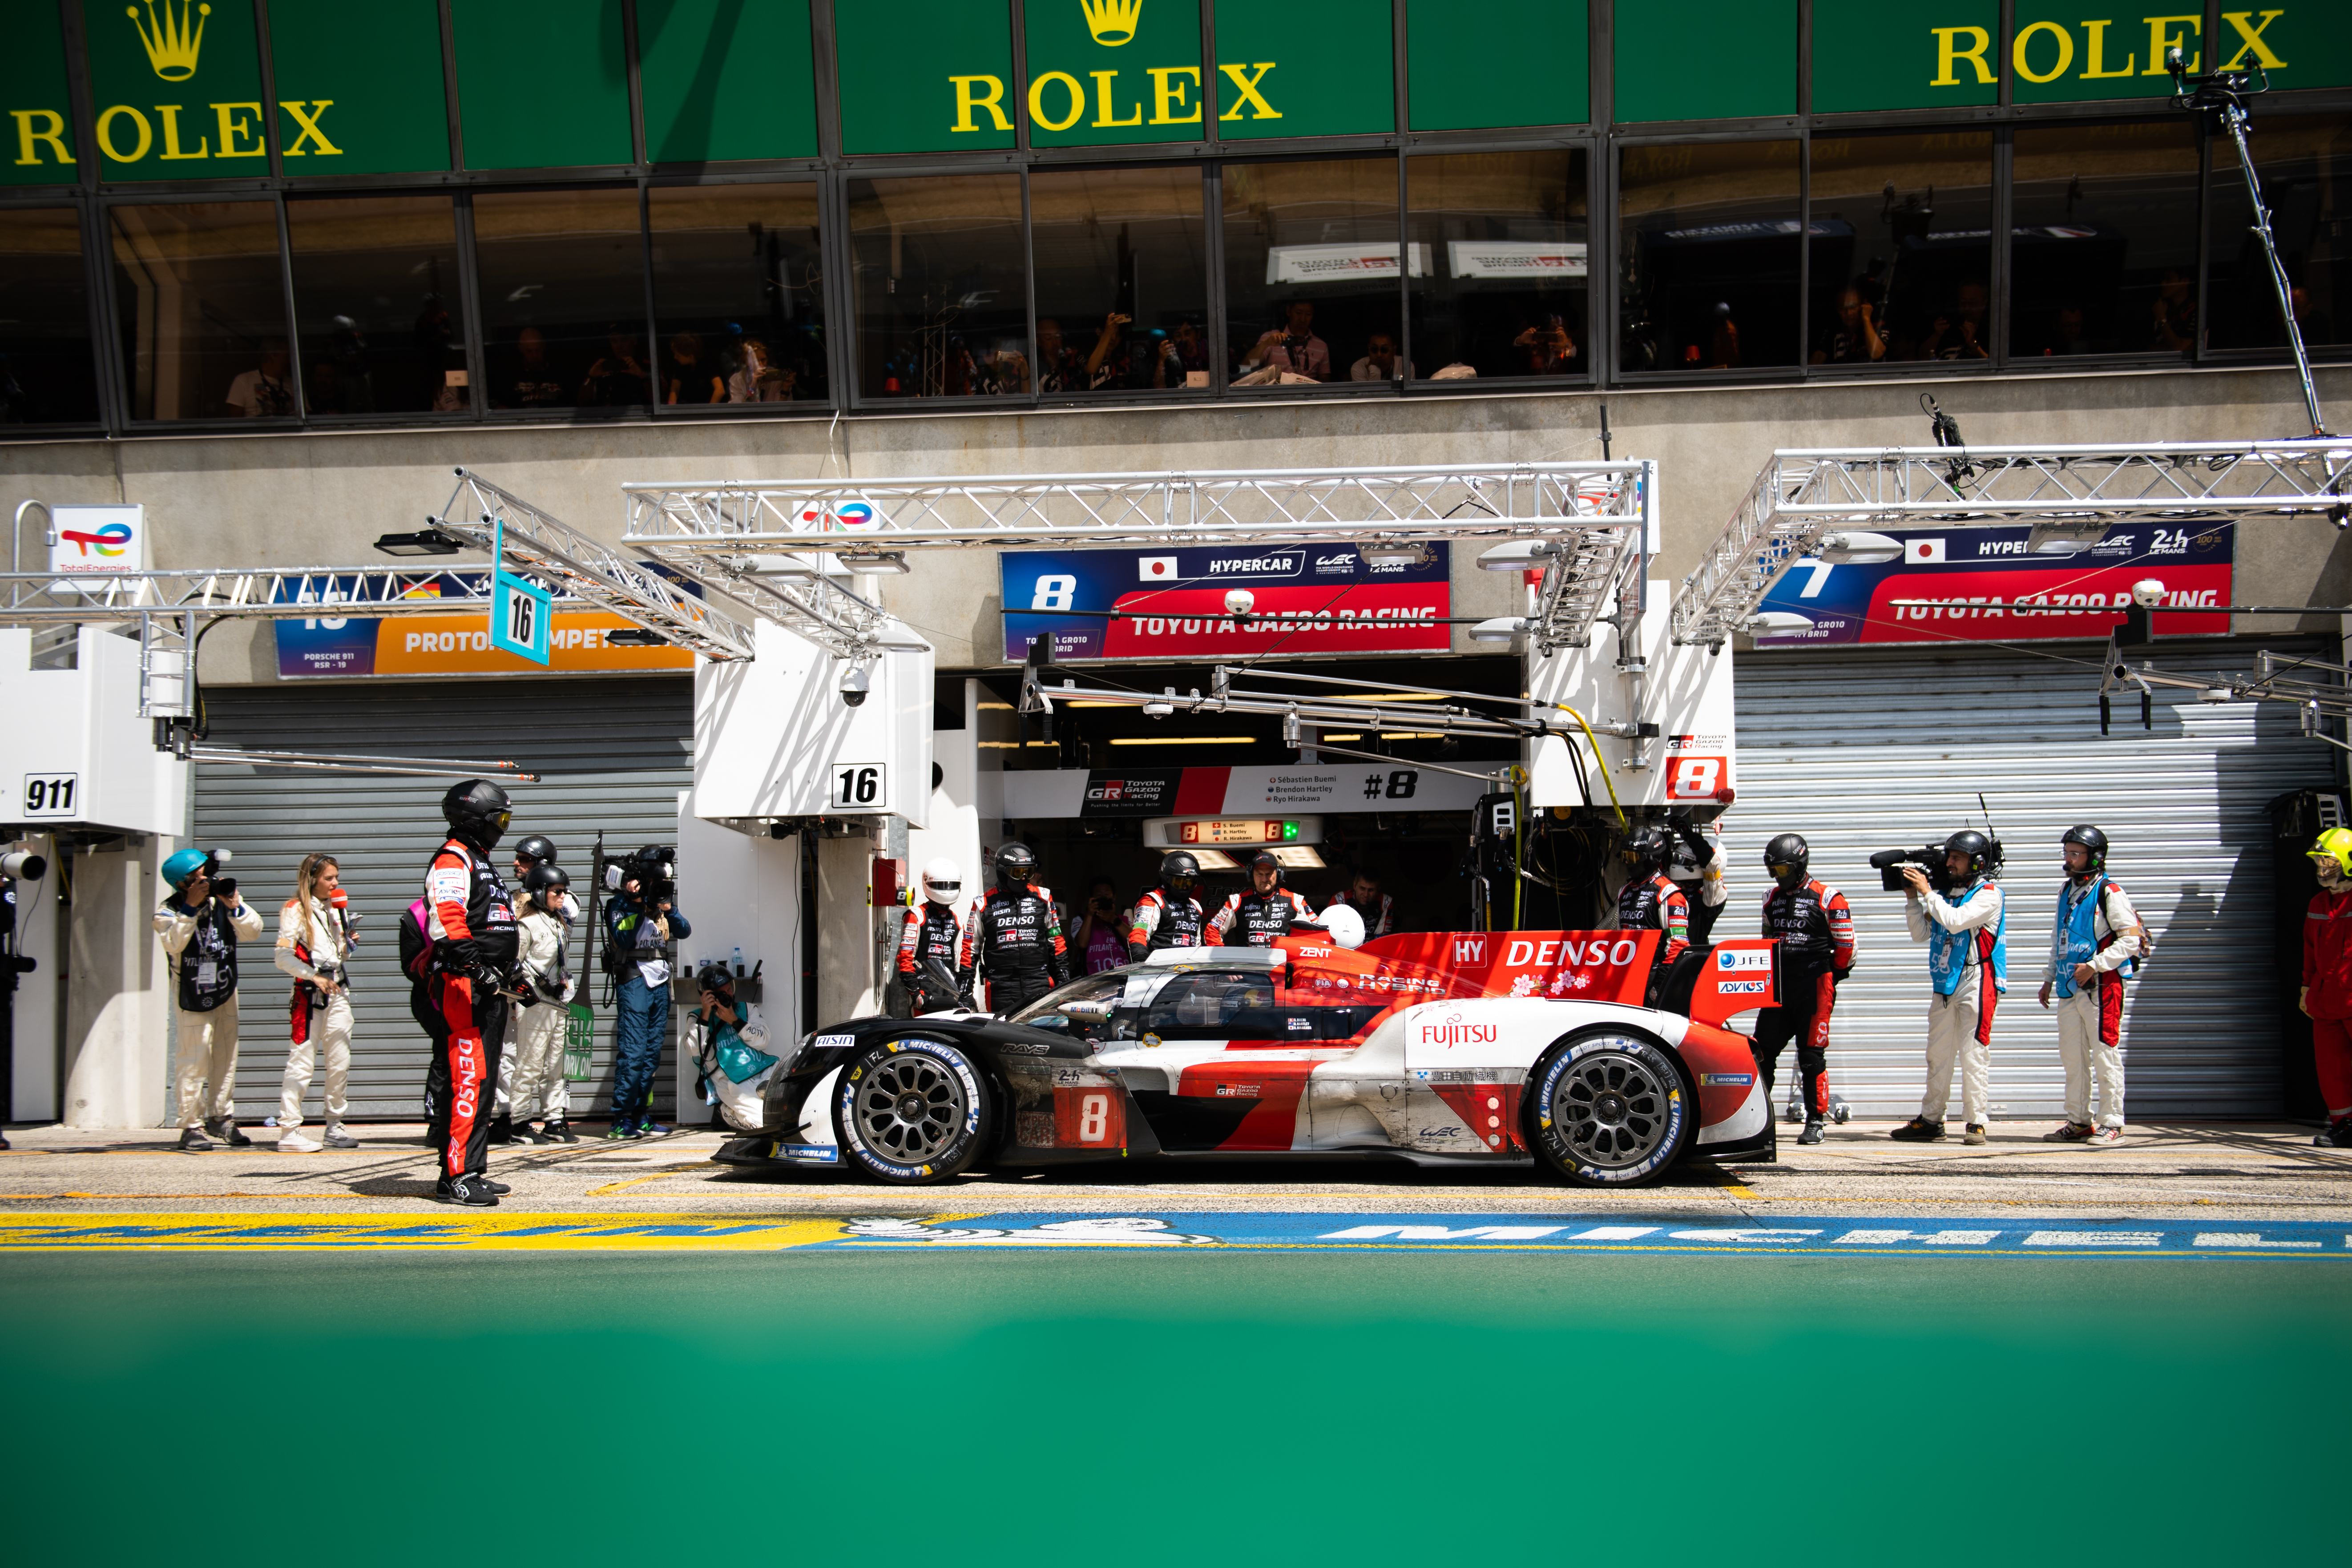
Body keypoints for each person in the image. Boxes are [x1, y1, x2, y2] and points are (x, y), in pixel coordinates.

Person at [421, 780, 520, 1205]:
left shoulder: (482, 861)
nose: (503, 826)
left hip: (489, 987)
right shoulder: (452, 858)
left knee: (482, 1081)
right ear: (473, 819)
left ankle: (469, 1167)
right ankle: (458, 1176)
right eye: (499, 818)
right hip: (464, 987)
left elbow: (494, 923)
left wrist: (513, 972)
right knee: (468, 1080)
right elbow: (447, 919)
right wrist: (477, 967)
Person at [1894, 831, 2007, 1145]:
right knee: (1937, 1055)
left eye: (1957, 857)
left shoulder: (1988, 894)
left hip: (1977, 981)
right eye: (1949, 856)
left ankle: (1975, 1122)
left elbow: (1956, 921)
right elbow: (1921, 934)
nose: (1949, 862)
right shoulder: (1945, 894)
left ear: (1978, 862)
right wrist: (1912, 899)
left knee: (1973, 1054)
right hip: (1945, 982)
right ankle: (1932, 1119)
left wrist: (1928, 892)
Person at [2036, 825, 2144, 1147]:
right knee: (2073, 1057)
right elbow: (2059, 938)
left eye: (2074, 853)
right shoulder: (2065, 891)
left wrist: (2094, 966)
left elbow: (2131, 941)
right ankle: (2079, 1121)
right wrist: (2048, 977)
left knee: (2104, 1055)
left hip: (2102, 987)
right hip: (2069, 987)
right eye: (2066, 852)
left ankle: (2112, 1123)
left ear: (2095, 856)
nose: (2067, 859)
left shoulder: (2109, 892)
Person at [154, 848, 265, 1151]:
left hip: (225, 988)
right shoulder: (168, 910)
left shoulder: (222, 900)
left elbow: (254, 931)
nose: (207, 879)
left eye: (207, 871)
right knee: (193, 1059)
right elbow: (173, 942)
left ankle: (221, 1117)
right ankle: (190, 1125)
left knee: (226, 1057)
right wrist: (190, 908)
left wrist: (235, 905)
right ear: (183, 884)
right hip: (191, 993)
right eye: (198, 876)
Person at [1753, 834, 1855, 1146]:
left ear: (1799, 865)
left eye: (1782, 870)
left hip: (1815, 984)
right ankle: (1757, 1118)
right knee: (1761, 1053)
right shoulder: (1770, 897)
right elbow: (1766, 941)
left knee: (1810, 1055)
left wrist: (1830, 975)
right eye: (1773, 871)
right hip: (1780, 985)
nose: (1776, 877)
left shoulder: (1829, 897)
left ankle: (1815, 1120)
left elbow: (1847, 948)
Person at [272, 852, 358, 1153]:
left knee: (340, 1061)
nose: (335, 883)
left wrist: (347, 942)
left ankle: (335, 1124)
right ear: (312, 879)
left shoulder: (334, 908)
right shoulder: (295, 909)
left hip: (338, 990)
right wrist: (312, 976)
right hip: (309, 995)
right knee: (301, 1061)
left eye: (337, 877)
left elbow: (337, 954)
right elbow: (282, 956)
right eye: (328, 878)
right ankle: (289, 1130)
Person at [605, 845, 689, 1139]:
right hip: (634, 979)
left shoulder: (660, 901)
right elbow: (625, 936)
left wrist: (668, 907)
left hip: (659, 981)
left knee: (652, 1054)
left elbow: (685, 930)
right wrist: (636, 903)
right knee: (634, 1053)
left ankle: (641, 1115)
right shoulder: (619, 904)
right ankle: (621, 1118)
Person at [496, 862, 577, 1145]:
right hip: (535, 1001)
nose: (562, 897)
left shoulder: (558, 922)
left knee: (556, 1064)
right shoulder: (526, 925)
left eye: (564, 891)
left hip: (558, 1001)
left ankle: (554, 1118)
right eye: (557, 891)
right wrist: (525, 991)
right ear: (541, 892)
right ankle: (519, 1122)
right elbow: (512, 966)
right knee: (530, 1061)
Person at [962, 842, 1069, 1015]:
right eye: (1018, 873)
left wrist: (1064, 980)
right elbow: (970, 950)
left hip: (1038, 982)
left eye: (1029, 872)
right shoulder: (983, 903)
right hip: (1001, 987)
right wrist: (966, 991)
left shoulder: (1044, 897)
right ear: (1002, 872)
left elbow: (1057, 943)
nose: (1025, 878)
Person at [2300, 827, 2352, 1149]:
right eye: (2319, 862)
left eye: (2329, 861)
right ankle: (2343, 1125)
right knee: (2331, 1069)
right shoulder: (2318, 903)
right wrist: (2305, 988)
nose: (2322, 868)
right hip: (2325, 1000)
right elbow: (2309, 949)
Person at [1611, 824, 1688, 1005]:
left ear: (1650, 859)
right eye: (1625, 857)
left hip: (1653, 976)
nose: (1628, 863)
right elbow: (1618, 937)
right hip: (1627, 975)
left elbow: (1678, 945)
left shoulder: (1668, 893)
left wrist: (1660, 986)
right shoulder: (1625, 891)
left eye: (1632, 857)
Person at [896, 858, 971, 1015]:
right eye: (941, 885)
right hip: (926, 995)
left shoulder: (958, 921)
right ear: (928, 884)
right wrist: (916, 994)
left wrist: (965, 993)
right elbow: (905, 958)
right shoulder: (916, 916)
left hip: (951, 992)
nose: (946, 890)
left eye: (951, 885)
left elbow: (961, 964)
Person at [1209, 852, 1317, 948]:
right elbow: (1213, 929)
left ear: (1279, 874)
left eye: (1269, 874)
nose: (1265, 879)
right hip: (1249, 968)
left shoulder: (1296, 901)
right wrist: (1220, 954)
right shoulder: (1237, 902)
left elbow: (1319, 929)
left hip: (1283, 967)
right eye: (1260, 874)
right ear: (1251, 876)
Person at [1128, 851, 1209, 960]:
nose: (1185, 888)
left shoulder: (1196, 906)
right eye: (1179, 882)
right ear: (1166, 879)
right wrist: (1141, 961)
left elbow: (1197, 943)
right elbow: (1139, 933)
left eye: (1190, 883)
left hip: (1189, 970)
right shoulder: (1152, 901)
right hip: (1161, 969)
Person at [1665, 814, 1727, 946]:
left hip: (1692, 960)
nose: (1679, 864)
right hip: (1668, 957)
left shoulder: (1712, 895)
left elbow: (1711, 863)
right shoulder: (1677, 887)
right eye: (1679, 859)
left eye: (1685, 860)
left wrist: (1690, 836)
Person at [1242, 301, 1331, 381]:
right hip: (1277, 394)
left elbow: (1325, 382)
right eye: (1299, 313)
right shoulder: (1271, 338)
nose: (1303, 319)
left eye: (1308, 314)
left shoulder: (1321, 346)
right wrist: (1266, 343)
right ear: (1289, 311)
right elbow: (1246, 366)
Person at [496, 327, 569, 410]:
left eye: (538, 350)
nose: (534, 356)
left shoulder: (559, 373)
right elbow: (502, 407)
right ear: (521, 349)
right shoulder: (510, 375)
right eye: (529, 351)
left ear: (544, 346)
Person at [1915, 281, 1990, 361]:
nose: (1967, 307)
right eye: (1963, 302)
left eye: (1972, 302)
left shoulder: (1991, 332)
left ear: (1984, 303)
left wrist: (1973, 344)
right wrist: (1937, 335)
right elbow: (1922, 358)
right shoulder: (1948, 327)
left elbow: (1995, 366)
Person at [1810, 287, 1887, 365]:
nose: (1848, 313)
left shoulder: (1877, 325)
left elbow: (1877, 354)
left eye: (1853, 307)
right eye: (1842, 308)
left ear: (1864, 305)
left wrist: (1866, 319)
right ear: (1837, 309)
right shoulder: (1835, 329)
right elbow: (1815, 362)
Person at [581, 325, 652, 406]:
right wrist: (591, 378)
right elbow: (582, 404)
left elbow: (661, 402)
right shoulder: (604, 367)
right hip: (608, 417)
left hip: (641, 417)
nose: (619, 346)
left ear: (634, 341)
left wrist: (643, 377)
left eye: (624, 340)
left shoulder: (648, 367)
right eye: (614, 342)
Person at [224, 339, 295, 417]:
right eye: (286, 357)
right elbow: (234, 420)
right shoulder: (243, 381)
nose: (290, 362)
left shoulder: (294, 383)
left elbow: (306, 414)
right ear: (270, 357)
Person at [1323, 866, 1395, 942]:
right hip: (1345, 950)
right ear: (1355, 886)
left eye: (1371, 890)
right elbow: (1329, 936)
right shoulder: (1340, 900)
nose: (1366, 895)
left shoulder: (1385, 902)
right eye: (1362, 889)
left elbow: (1381, 941)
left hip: (1371, 950)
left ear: (1378, 890)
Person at [1072, 878, 1127, 975]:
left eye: (1107, 895)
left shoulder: (1125, 920)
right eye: (1099, 896)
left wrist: (1113, 919)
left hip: (1124, 974)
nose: (1103, 898)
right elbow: (1081, 943)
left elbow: (1136, 941)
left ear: (1114, 897)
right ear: (1092, 899)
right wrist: (1089, 915)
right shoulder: (1081, 919)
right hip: (1093, 977)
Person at [726, 337, 795, 403]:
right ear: (747, 362)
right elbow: (739, 411)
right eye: (756, 361)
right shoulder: (738, 380)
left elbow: (781, 411)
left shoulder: (776, 378)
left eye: (763, 360)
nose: (761, 365)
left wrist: (785, 390)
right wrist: (753, 386)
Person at [665, 332, 724, 404]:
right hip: (687, 406)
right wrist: (671, 411)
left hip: (705, 406)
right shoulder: (681, 365)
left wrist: (708, 411)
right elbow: (675, 389)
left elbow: (720, 390)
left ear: (691, 357)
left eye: (678, 355)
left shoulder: (708, 364)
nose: (675, 357)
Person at [2150, 267, 2198, 353]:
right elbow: (2148, 349)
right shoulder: (2161, 307)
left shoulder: (2197, 310)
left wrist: (2161, 319)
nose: (2163, 283)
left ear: (2185, 282)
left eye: (2168, 278)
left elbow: (2178, 348)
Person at [1512, 315, 1577, 375]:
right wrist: (1520, 341)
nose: (1554, 331)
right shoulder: (1539, 347)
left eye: (1560, 330)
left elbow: (1573, 358)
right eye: (1552, 326)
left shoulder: (1572, 351)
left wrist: (1565, 346)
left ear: (1571, 333)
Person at [1350, 333, 1416, 382]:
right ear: (1369, 349)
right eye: (1374, 349)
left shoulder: (1405, 366)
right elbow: (1370, 397)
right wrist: (1375, 371)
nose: (1379, 355)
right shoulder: (1359, 368)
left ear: (1394, 350)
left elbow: (1407, 397)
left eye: (1385, 349)